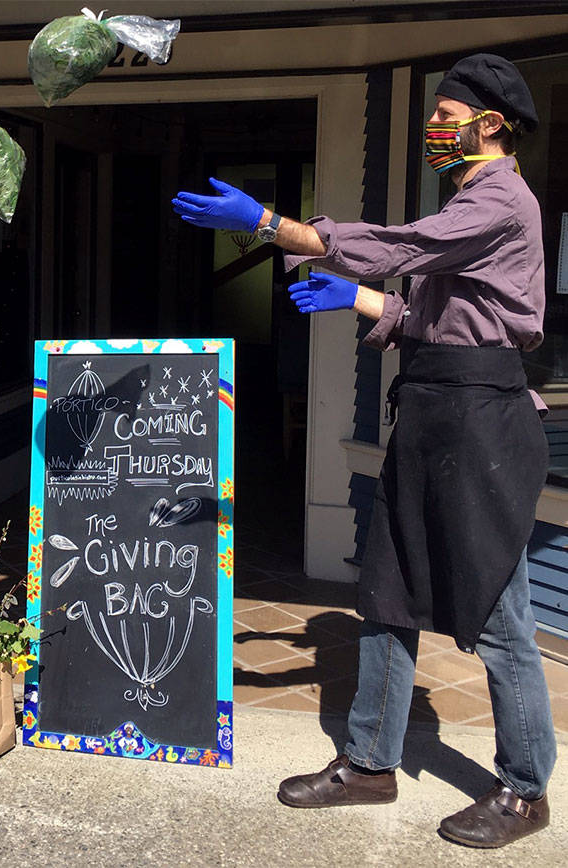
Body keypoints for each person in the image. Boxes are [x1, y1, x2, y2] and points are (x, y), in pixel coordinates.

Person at [173, 53, 554, 848]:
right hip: (431, 413)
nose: (435, 130)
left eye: (447, 117)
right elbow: (438, 316)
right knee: (385, 595)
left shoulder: (501, 200)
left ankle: (524, 791)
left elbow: (399, 246)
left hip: (482, 425)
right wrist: (357, 299)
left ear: (491, 126)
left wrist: (268, 225)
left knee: (499, 613)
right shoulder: (470, 199)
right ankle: (371, 761)